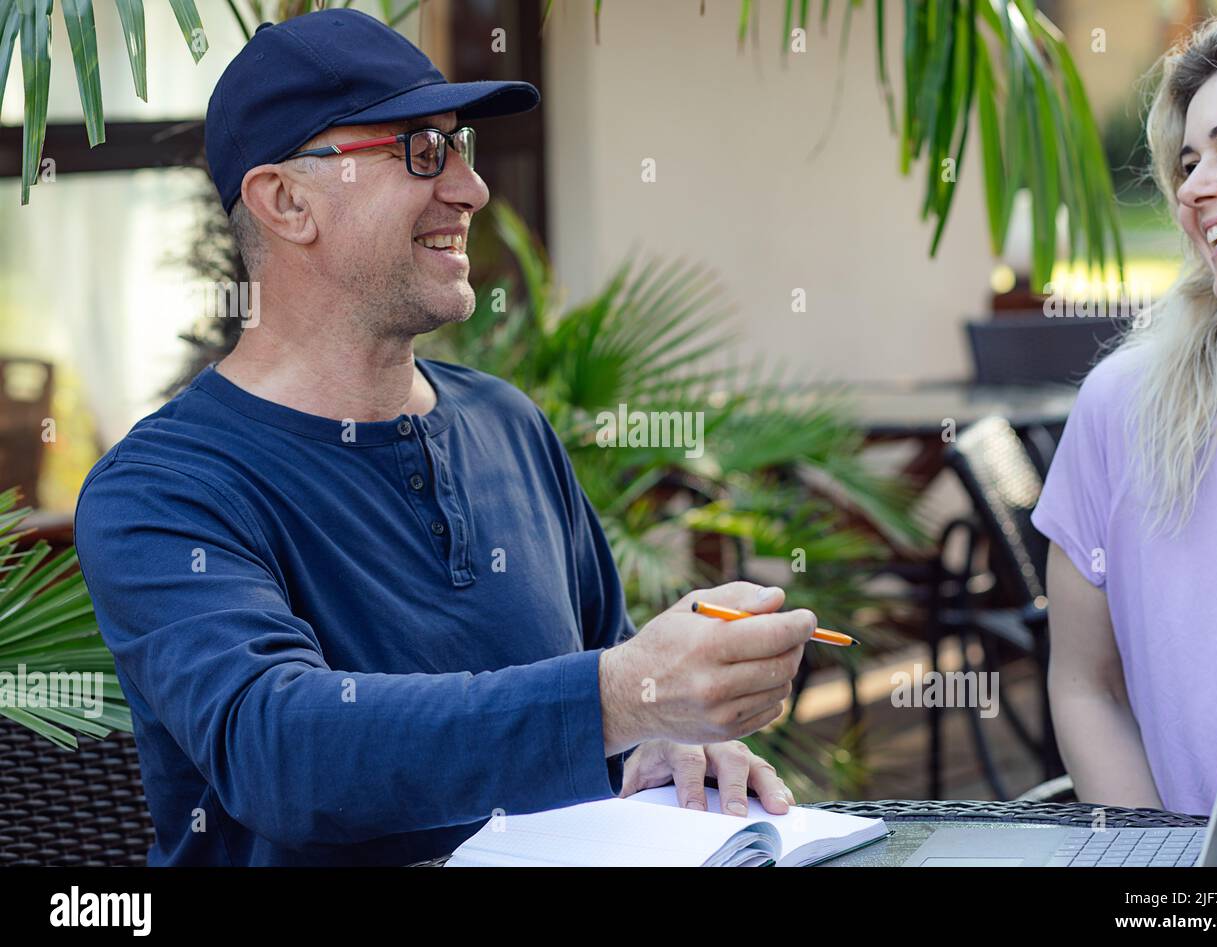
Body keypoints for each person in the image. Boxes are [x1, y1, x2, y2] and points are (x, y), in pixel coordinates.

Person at [73, 9, 813, 866]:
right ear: (286, 201)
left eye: (459, 145)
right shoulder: (164, 489)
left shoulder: (509, 423)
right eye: (421, 151)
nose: (470, 188)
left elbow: (605, 689)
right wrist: (618, 698)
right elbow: (279, 752)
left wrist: (664, 738)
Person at [1032, 0, 1217, 832]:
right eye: (1187, 162)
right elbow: (1086, 684)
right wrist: (1168, 882)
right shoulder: (1123, 412)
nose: (1194, 187)